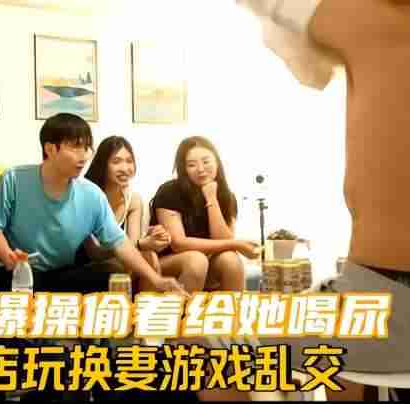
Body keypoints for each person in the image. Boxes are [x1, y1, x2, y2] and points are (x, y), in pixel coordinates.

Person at [236, 1, 410, 400]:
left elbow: (310, 69)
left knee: (224, 349)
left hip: (386, 296)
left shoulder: (368, 20)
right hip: (374, 289)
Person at [0, 113, 186, 295]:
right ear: (50, 149)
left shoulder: (91, 194)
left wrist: (156, 279)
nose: (85, 156)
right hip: (16, 273)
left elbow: (120, 243)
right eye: (76, 147)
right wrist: (8, 256)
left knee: (112, 273)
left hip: (62, 275)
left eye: (87, 148)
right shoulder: (13, 179)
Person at [150, 136, 260, 293]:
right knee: (197, 260)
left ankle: (231, 308)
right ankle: (181, 309)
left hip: (207, 262)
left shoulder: (226, 196)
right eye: (191, 165)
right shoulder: (170, 191)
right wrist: (236, 244)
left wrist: (211, 199)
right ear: (184, 169)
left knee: (230, 259)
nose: (201, 169)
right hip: (168, 262)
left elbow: (223, 241)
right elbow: (178, 244)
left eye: (206, 161)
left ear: (217, 162)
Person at [80, 135, 171, 290]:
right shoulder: (88, 196)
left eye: (129, 161)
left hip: (115, 259)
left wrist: (154, 238)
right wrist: (142, 244)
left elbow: (132, 244)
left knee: (149, 257)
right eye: (116, 162)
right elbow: (95, 253)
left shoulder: (132, 200)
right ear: (103, 164)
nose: (125, 168)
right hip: (85, 263)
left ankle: (144, 305)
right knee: (120, 266)